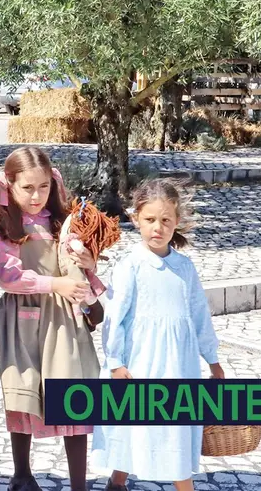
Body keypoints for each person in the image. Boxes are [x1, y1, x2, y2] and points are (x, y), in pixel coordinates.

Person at [91, 179, 224, 491]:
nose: (158, 228)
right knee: (134, 427)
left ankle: (171, 483)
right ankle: (118, 480)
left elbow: (198, 315)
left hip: (178, 366)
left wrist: (213, 359)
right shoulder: (131, 265)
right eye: (150, 220)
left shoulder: (184, 267)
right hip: (140, 363)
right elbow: (116, 318)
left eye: (166, 221)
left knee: (174, 428)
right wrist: (114, 361)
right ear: (136, 218)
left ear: (176, 222)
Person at [0, 146, 105, 491]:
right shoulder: (4, 226)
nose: (37, 196)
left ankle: (79, 484)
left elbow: (77, 271)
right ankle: (22, 475)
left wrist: (87, 263)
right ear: (9, 185)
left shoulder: (62, 223)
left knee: (73, 392)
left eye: (44, 187)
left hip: (63, 320)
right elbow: (7, 276)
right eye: (28, 188)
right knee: (23, 389)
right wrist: (54, 283)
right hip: (21, 321)